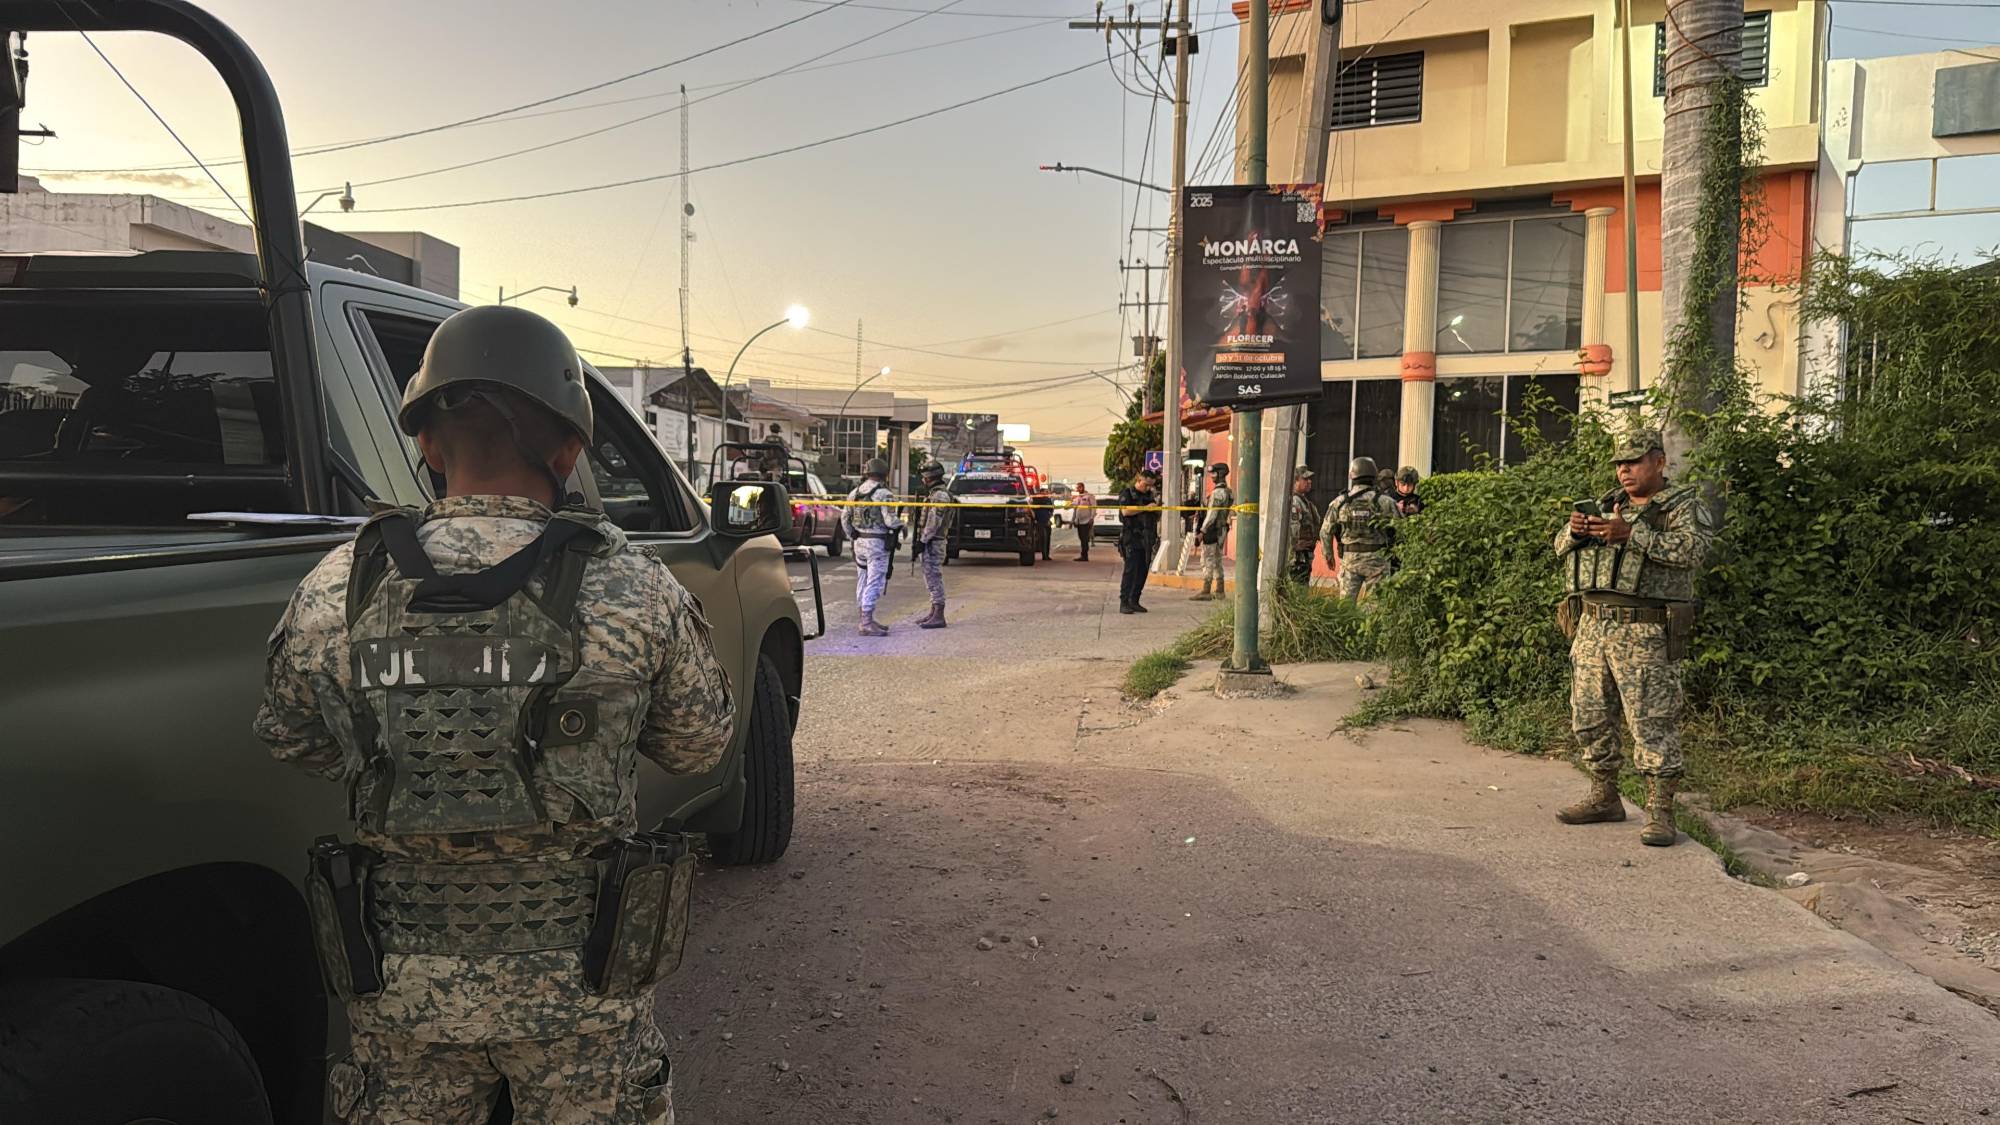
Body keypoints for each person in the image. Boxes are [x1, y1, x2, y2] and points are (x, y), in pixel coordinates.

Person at [254, 305, 732, 1124]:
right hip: (583, 992)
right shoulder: (635, 587)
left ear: (428, 446)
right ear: (570, 447)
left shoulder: (338, 586)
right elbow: (697, 745)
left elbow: (295, 736)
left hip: (401, 987)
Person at [1553, 428, 1713, 847]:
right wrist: (1574, 531)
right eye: (1619, 464)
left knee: (1652, 721)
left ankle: (1660, 812)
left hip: (1645, 630)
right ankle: (1604, 796)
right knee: (1588, 715)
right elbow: (1558, 547)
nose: (1624, 470)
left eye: (1634, 461)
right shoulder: (1608, 505)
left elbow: (1693, 551)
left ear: (1658, 462)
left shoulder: (1681, 506)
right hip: (1592, 626)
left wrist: (1633, 535)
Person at [1321, 456, 1400, 602]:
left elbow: (1325, 531)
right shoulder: (1386, 502)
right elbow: (1402, 530)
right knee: (1375, 609)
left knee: (1345, 608)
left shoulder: (1339, 502)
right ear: (1374, 476)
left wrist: (1329, 556)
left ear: (1352, 476)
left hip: (1350, 561)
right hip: (1378, 562)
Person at [843, 457, 903, 637]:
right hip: (877, 545)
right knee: (875, 581)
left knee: (862, 580)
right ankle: (866, 623)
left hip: (859, 543)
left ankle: (864, 618)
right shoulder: (884, 494)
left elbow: (845, 519)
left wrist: (852, 534)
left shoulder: (854, 492)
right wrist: (902, 526)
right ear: (884, 474)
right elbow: (890, 521)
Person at [912, 459, 955, 629]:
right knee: (930, 578)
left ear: (929, 477)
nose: (922, 480)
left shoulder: (940, 496)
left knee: (934, 578)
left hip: (934, 542)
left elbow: (933, 522)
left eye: (924, 477)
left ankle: (939, 615)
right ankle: (933, 612)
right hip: (930, 541)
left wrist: (922, 542)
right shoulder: (934, 494)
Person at [1115, 468, 1161, 614]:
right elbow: (1125, 511)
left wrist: (1156, 509)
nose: (1148, 488)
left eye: (1151, 485)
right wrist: (1145, 508)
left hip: (1147, 538)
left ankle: (1135, 600)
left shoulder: (1149, 496)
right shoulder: (1127, 493)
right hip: (1132, 537)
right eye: (1146, 484)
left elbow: (1155, 515)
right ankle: (1124, 601)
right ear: (1139, 480)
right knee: (1130, 570)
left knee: (1142, 570)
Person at [1190, 462, 1233, 601]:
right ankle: (1220, 590)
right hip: (1222, 529)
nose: (1212, 476)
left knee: (1207, 559)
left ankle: (1206, 590)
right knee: (1217, 560)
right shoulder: (1229, 492)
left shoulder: (1217, 493)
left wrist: (1202, 531)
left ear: (1220, 474)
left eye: (1213, 473)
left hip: (1212, 530)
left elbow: (1212, 514)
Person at [1287, 466, 1321, 584]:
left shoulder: (1305, 502)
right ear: (1296, 481)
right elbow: (1293, 527)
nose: (1309, 481)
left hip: (1305, 554)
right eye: (1305, 479)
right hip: (1298, 556)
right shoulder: (1295, 501)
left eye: (1309, 479)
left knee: (1302, 585)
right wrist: (1294, 547)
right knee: (1298, 586)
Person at [1071, 483, 1096, 561]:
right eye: (1076, 488)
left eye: (1078, 488)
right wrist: (1073, 520)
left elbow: (1093, 507)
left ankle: (1084, 555)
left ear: (1082, 487)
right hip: (1079, 521)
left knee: (1085, 539)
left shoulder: (1089, 496)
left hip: (1086, 521)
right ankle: (1083, 554)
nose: (1077, 489)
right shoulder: (1077, 497)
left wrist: (1092, 518)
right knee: (1081, 538)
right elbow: (1075, 509)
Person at [1030, 484, 1055, 561]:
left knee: (1047, 539)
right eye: (1045, 492)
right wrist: (1035, 519)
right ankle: (1044, 555)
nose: (1046, 493)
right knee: (1043, 539)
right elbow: (1032, 510)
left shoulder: (1048, 500)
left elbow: (1051, 510)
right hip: (1040, 522)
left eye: (1047, 492)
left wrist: (1049, 518)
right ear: (1041, 492)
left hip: (1047, 522)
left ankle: (1046, 555)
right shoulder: (1036, 500)